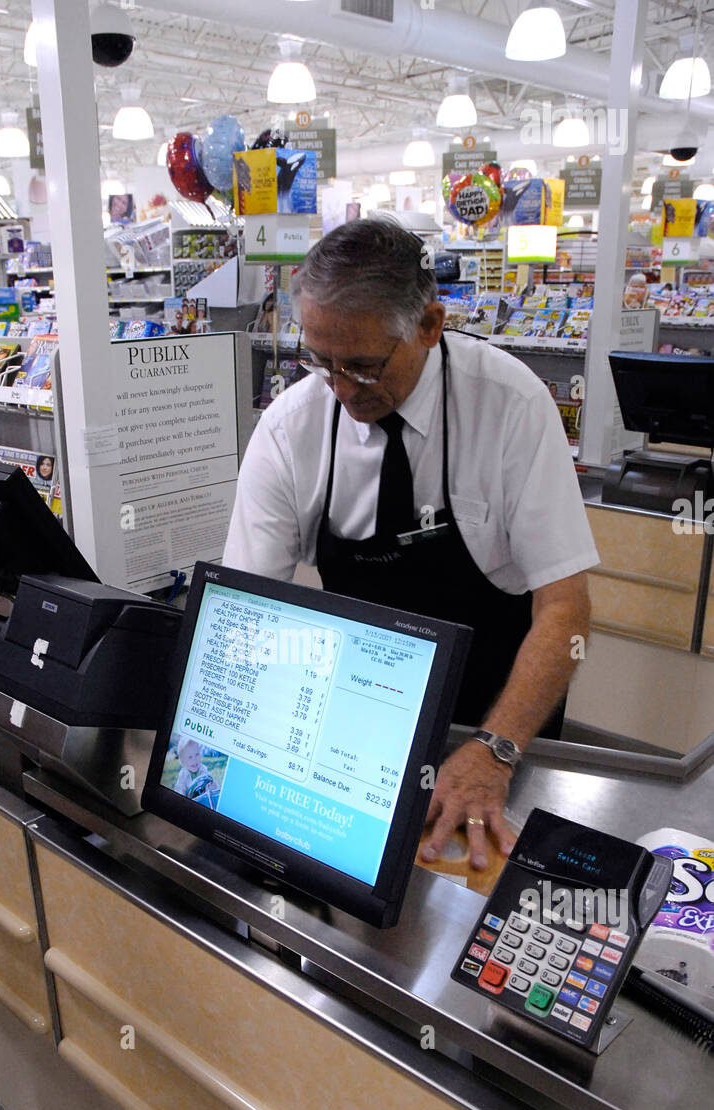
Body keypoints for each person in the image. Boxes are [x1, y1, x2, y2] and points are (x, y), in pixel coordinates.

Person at [223, 218, 598, 870]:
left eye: (363, 366)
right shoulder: (292, 426)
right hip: (361, 722)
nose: (340, 390)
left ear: (429, 325)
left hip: (501, 718)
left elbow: (565, 610)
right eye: (320, 361)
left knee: (476, 906)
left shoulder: (510, 406)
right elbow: (249, 608)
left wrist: (495, 749)